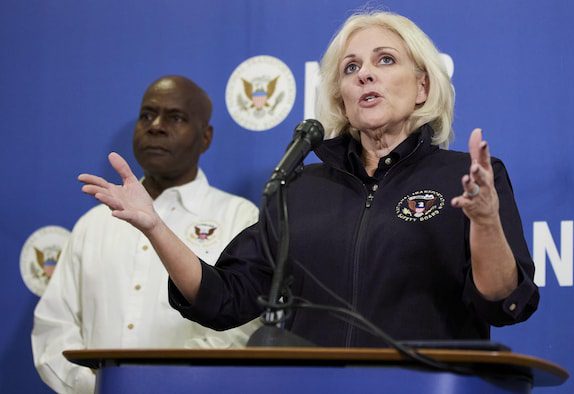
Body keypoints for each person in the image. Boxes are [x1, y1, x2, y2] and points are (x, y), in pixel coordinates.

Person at [79, 11, 539, 348]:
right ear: (340, 97)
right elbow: (226, 298)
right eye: (352, 68)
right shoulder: (300, 189)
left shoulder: (466, 178)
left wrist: (485, 221)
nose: (366, 76)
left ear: (422, 86)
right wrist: (157, 227)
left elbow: (502, 302)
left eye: (385, 60)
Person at [32, 76, 261, 393]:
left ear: (205, 137)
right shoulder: (94, 223)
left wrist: (155, 385)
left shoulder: (238, 217)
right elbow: (54, 326)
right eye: (147, 115)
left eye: (176, 117)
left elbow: (242, 331)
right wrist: (100, 386)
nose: (156, 126)